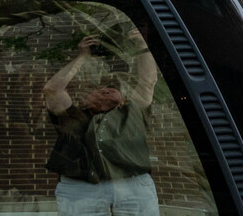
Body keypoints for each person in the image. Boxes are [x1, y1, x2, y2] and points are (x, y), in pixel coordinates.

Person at [43, 24, 162, 216]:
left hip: (132, 183)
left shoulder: (132, 112)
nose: (106, 89)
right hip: (81, 187)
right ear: (85, 102)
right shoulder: (73, 117)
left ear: (123, 101)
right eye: (99, 90)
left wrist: (141, 44)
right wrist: (82, 56)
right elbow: (52, 90)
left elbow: (148, 81)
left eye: (113, 89)